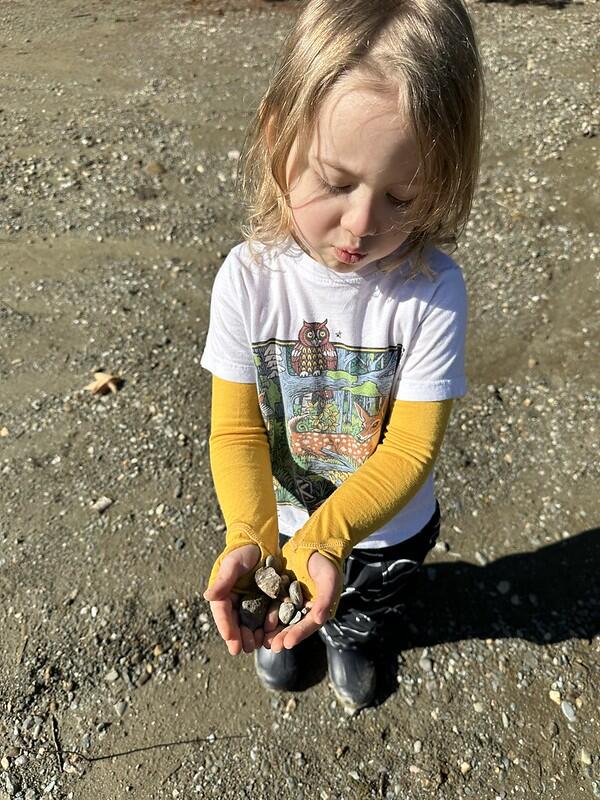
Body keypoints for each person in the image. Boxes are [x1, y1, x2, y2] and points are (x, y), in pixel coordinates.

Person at [201, 0, 484, 713]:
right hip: (289, 529)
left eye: (402, 196)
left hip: (389, 527)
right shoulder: (248, 276)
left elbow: (411, 450)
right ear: (279, 134)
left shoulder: (431, 290)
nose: (362, 225)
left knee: (370, 599)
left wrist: (329, 542)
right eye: (335, 182)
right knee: (293, 614)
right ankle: (292, 633)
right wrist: (250, 536)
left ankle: (358, 635)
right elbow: (236, 432)